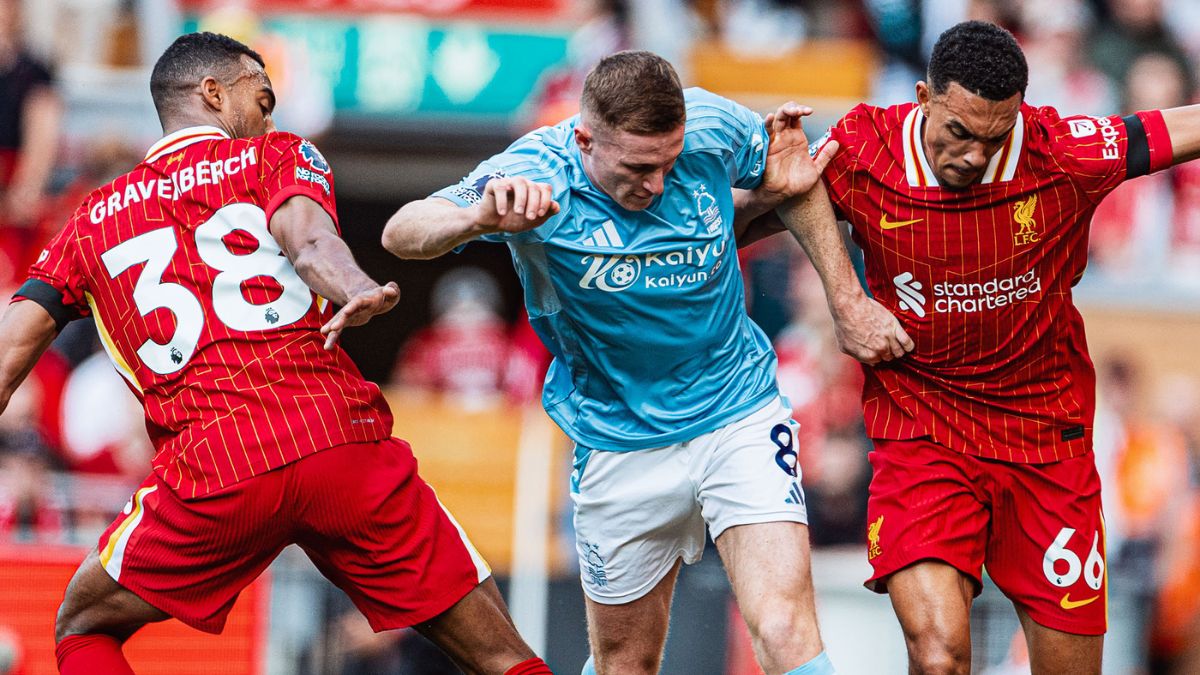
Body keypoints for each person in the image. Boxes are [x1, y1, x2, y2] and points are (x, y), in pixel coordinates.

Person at [0, 32, 551, 675]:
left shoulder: (88, 221)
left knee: (83, 623)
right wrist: (357, 287)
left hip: (215, 467)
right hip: (336, 442)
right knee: (500, 653)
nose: (270, 115)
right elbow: (308, 239)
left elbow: (12, 350)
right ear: (213, 93)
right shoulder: (277, 155)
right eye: (261, 97)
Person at [382, 50, 909, 675]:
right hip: (616, 438)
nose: (656, 184)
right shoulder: (533, 169)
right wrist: (475, 216)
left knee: (784, 626)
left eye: (669, 163)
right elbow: (402, 231)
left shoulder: (715, 123)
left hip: (736, 409)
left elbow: (794, 180)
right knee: (625, 660)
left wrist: (848, 302)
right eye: (637, 167)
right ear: (584, 139)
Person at [789, 19, 1200, 674]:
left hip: (1046, 444)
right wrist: (845, 299)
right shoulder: (865, 145)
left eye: (994, 136)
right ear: (924, 98)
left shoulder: (1062, 151)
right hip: (923, 435)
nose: (974, 155)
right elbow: (791, 187)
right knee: (939, 652)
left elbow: (1171, 129)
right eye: (958, 132)